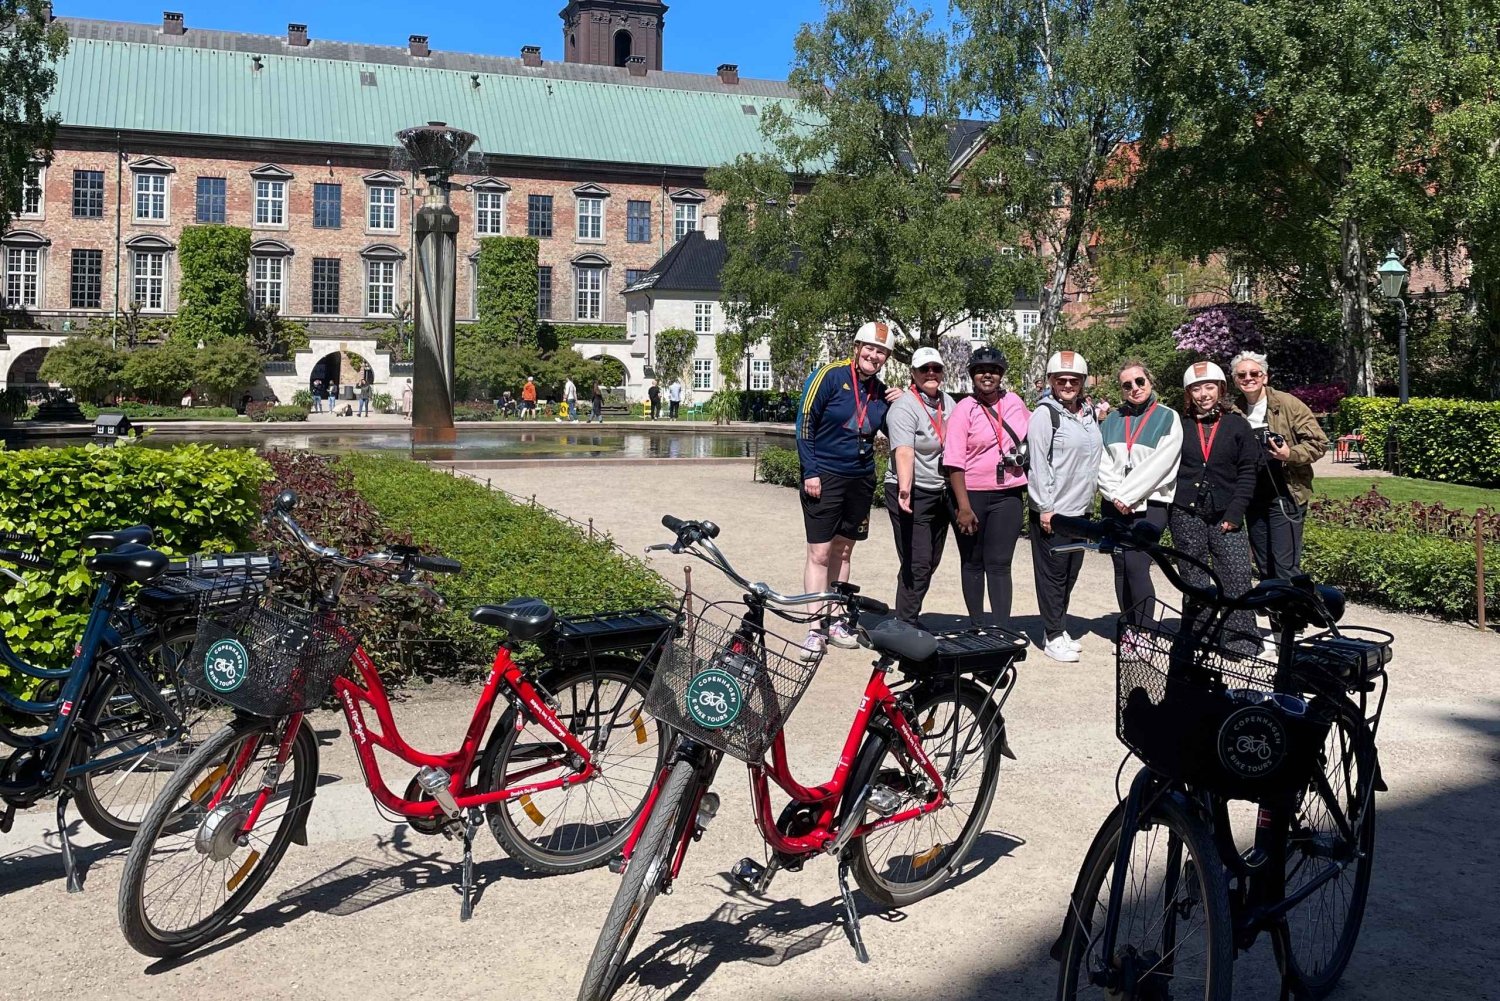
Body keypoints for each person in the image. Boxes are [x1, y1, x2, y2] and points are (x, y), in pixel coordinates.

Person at [795, 319, 899, 657]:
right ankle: (814, 628)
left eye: (882, 352)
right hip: (825, 475)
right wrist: (810, 471)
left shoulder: (881, 391)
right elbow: (804, 423)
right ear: (856, 348)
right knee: (820, 553)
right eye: (870, 348)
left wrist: (901, 401)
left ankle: (838, 618)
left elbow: (887, 427)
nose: (875, 355)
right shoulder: (830, 375)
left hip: (860, 478)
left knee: (843, 551)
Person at [1171, 361, 1262, 654]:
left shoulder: (1237, 425)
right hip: (1187, 512)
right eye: (1196, 389)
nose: (1203, 394)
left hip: (1226, 512)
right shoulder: (1180, 425)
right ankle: (1199, 636)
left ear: (1220, 389)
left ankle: (1240, 640)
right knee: (1195, 581)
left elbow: (1248, 471)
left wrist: (1236, 514)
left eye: (1209, 387)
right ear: (1188, 393)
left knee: (1236, 575)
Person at [942, 345, 1030, 629]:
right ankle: (978, 624)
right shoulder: (964, 409)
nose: (987, 375)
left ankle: (1002, 628)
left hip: (1008, 495)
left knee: (1000, 563)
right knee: (973, 562)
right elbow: (954, 460)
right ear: (972, 376)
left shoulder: (1015, 402)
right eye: (981, 371)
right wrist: (963, 507)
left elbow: (1037, 436)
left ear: (1001, 374)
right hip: (972, 495)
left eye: (992, 370)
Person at [1027, 351, 1104, 662]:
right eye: (1062, 379)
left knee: (1070, 573)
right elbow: (1038, 465)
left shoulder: (1087, 414)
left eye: (1074, 380)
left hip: (1080, 510)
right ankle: (1053, 633)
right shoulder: (1045, 415)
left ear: (1082, 382)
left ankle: (1059, 625)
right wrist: (1045, 507)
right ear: (1051, 381)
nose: (1068, 384)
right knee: (1053, 575)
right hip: (1054, 512)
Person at [1097, 360, 1183, 629]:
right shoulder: (1112, 420)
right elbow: (1102, 462)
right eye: (1127, 385)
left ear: (1150, 381)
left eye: (1139, 382)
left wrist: (1130, 495)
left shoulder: (1168, 416)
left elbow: (1161, 464)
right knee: (1121, 567)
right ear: (1121, 390)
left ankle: (1144, 631)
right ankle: (1129, 629)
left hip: (1150, 504)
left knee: (1136, 564)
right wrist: (1115, 496)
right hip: (1115, 504)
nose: (1134, 388)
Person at [1230, 351, 1329, 580]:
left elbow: (1319, 443)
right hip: (1253, 496)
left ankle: (1292, 615)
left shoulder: (1287, 404)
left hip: (1285, 493)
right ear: (1235, 380)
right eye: (1241, 375)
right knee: (1265, 568)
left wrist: (1290, 454)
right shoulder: (1234, 410)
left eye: (1254, 373)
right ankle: (1276, 615)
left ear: (1265, 377)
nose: (1248, 378)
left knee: (1285, 568)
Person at [884, 346, 956, 626]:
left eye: (936, 369)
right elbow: (903, 450)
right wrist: (905, 487)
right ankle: (905, 622)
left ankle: (906, 615)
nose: (931, 374)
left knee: (930, 560)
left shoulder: (948, 403)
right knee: (918, 560)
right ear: (912, 373)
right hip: (910, 490)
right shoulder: (904, 407)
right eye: (924, 369)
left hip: (940, 490)